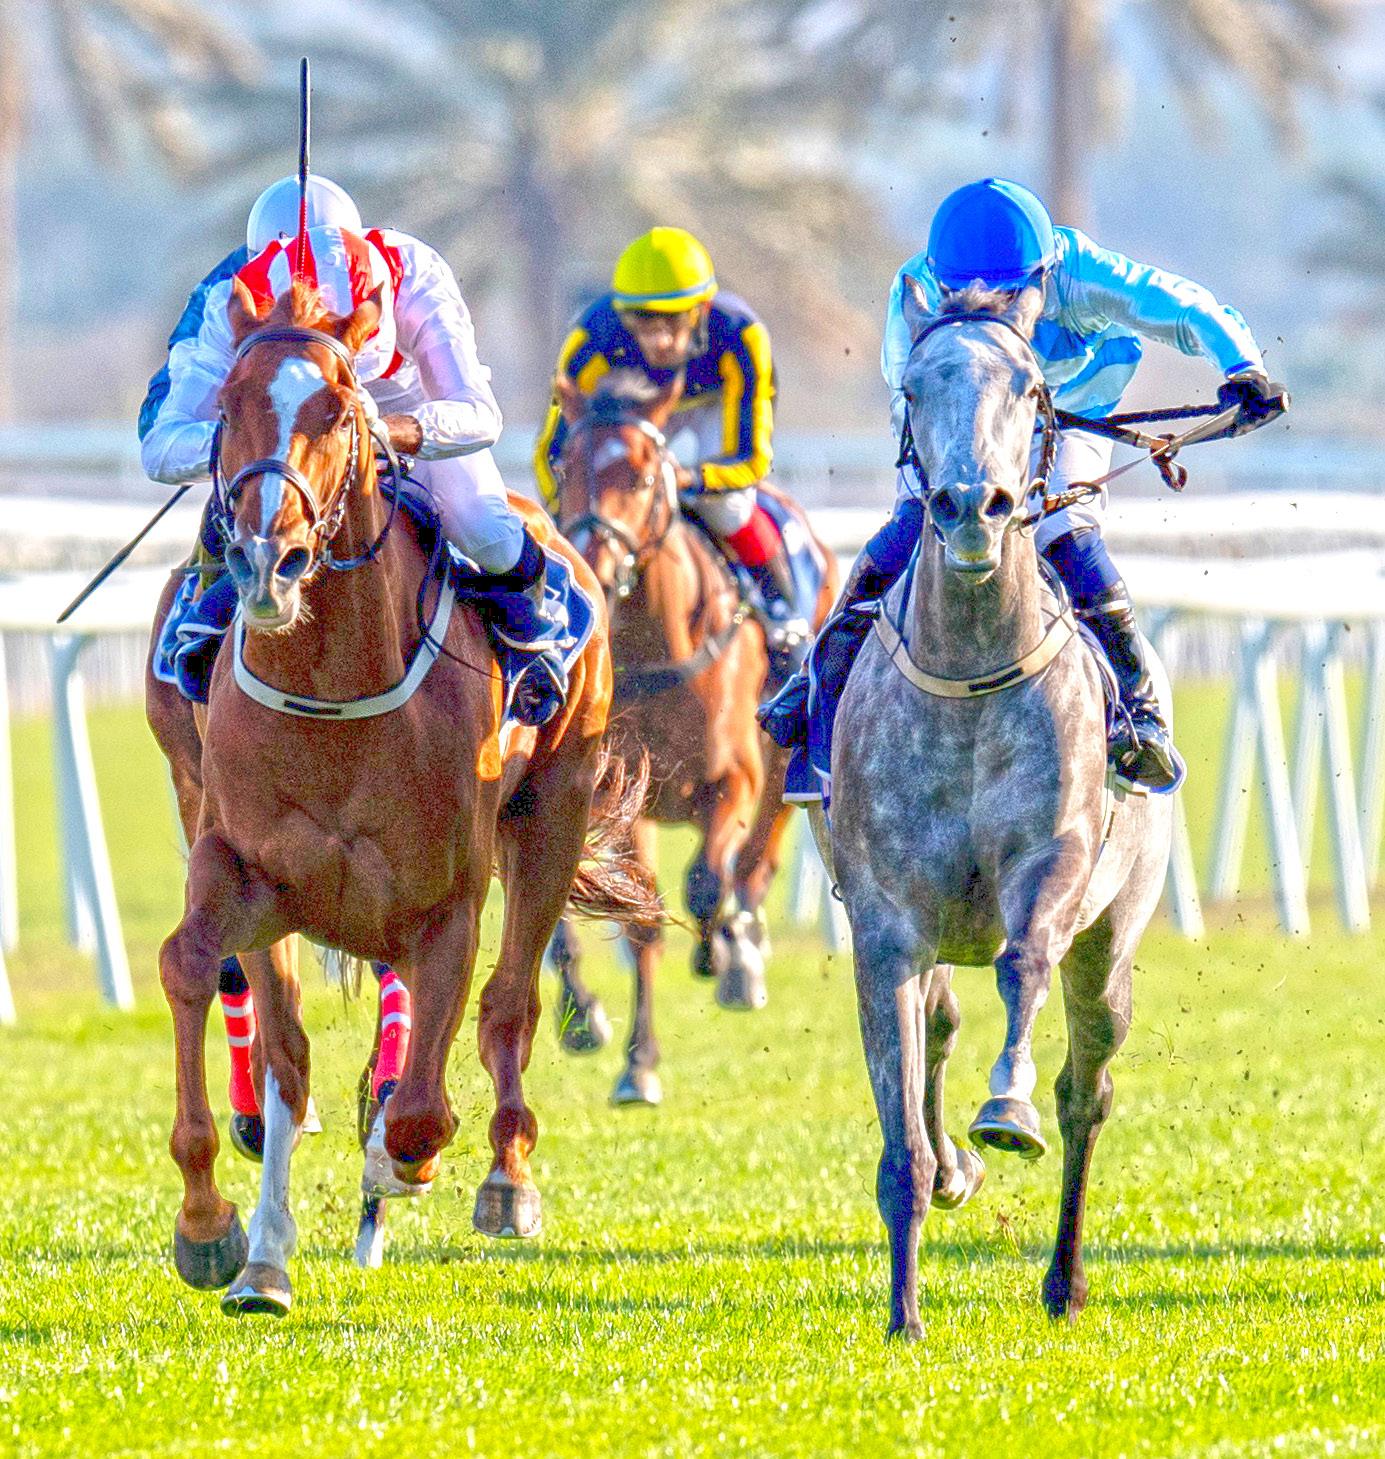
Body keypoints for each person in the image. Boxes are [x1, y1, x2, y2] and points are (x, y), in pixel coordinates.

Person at [760, 176, 1284, 794]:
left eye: (1005, 293)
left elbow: (1184, 307)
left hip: (1066, 417)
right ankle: (816, 695)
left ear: (1043, 276)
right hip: (958, 423)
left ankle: (1138, 712)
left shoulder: (1082, 273)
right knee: (906, 531)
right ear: (939, 280)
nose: (982, 301)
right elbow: (909, 394)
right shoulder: (917, 291)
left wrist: (1242, 366)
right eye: (962, 293)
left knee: (1066, 532)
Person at [141, 174, 570, 726]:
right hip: (289, 443)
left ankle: (537, 636)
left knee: (484, 530)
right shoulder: (233, 299)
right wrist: (264, 441)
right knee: (239, 522)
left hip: (411, 417)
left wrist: (384, 430)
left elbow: (480, 416)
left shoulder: (416, 275)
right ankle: (202, 631)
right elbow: (161, 445)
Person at [534, 226, 808, 667]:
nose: (659, 341)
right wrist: (570, 511)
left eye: (673, 323)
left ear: (702, 310)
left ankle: (780, 611)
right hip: (630, 416)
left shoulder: (741, 334)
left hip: (712, 408)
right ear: (623, 317)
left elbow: (752, 458)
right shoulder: (590, 339)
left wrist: (691, 478)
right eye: (643, 325)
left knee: (730, 508)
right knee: (584, 517)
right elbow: (552, 452)